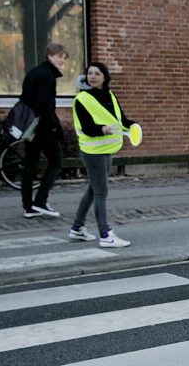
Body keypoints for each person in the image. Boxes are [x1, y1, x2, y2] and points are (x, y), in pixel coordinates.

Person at [67, 62, 135, 248]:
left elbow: (121, 119)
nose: (92, 76)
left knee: (93, 189)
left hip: (106, 149)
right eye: (89, 73)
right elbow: (87, 127)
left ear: (104, 76)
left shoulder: (110, 95)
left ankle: (77, 228)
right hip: (93, 151)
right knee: (101, 191)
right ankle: (105, 234)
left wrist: (133, 126)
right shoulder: (82, 99)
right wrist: (103, 129)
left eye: (97, 73)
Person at [20, 42, 68, 218]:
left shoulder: (34, 73)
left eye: (64, 57)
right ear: (50, 56)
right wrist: (54, 126)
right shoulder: (47, 75)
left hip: (30, 125)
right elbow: (44, 104)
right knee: (56, 161)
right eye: (60, 56)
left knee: (30, 164)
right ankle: (40, 201)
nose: (63, 60)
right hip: (44, 127)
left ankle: (28, 206)